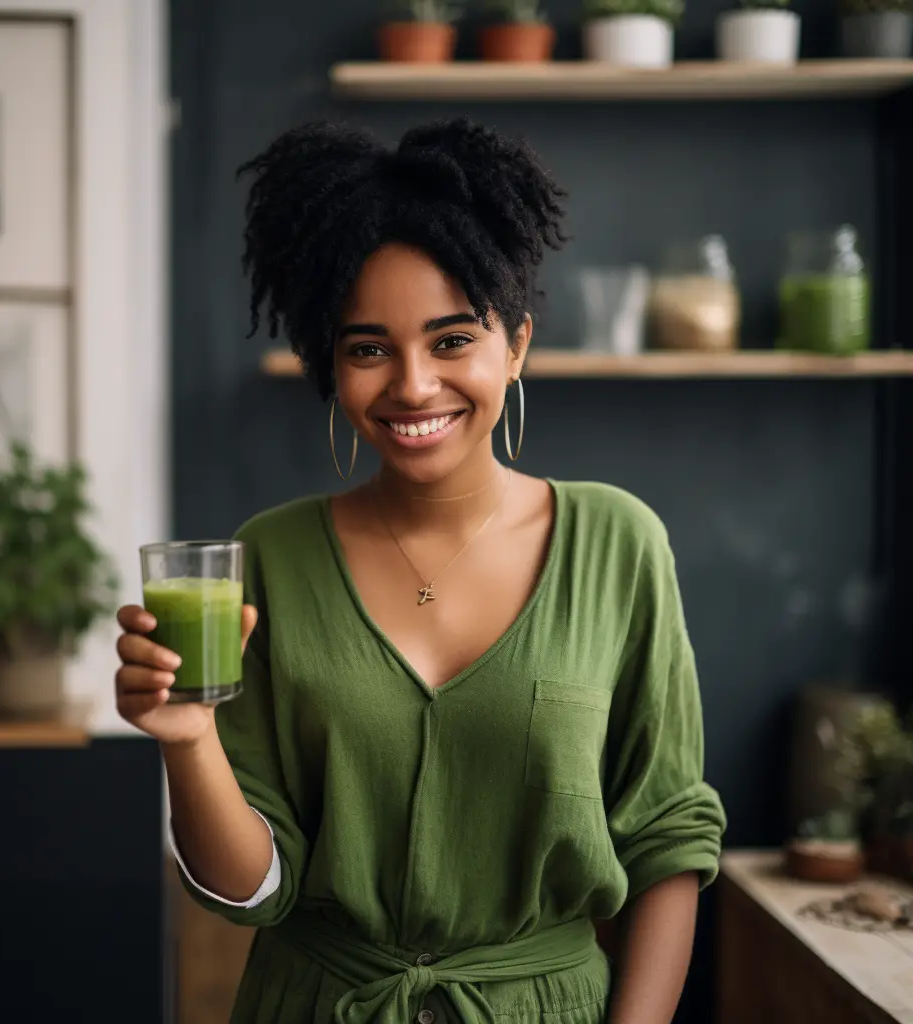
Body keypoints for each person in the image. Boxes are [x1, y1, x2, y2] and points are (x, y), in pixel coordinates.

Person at [115, 117, 726, 1024]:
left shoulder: (619, 545)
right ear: (331, 367)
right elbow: (251, 888)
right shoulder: (270, 560)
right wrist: (187, 740)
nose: (411, 385)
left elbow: (667, 840)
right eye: (367, 349)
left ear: (514, 345)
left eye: (451, 340)